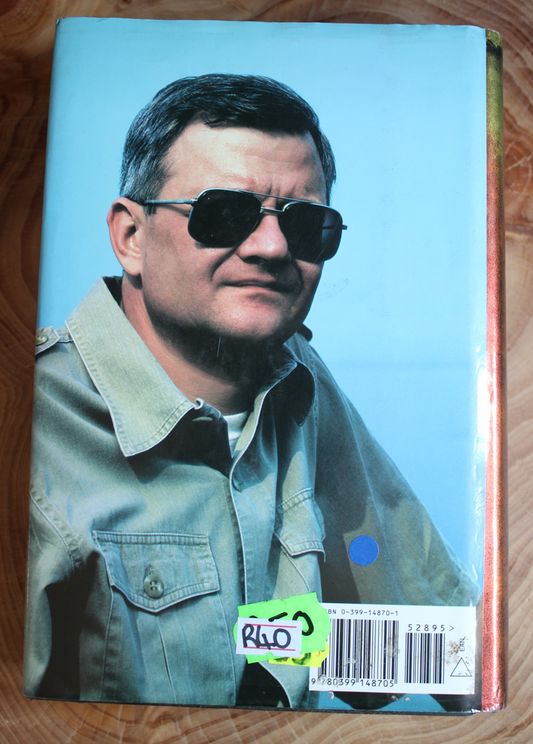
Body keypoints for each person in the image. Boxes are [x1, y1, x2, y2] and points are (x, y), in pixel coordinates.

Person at [23, 74, 480, 709]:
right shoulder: (28, 422)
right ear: (131, 237)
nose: (271, 247)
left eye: (306, 224)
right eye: (224, 213)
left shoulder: (301, 384)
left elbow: (448, 647)